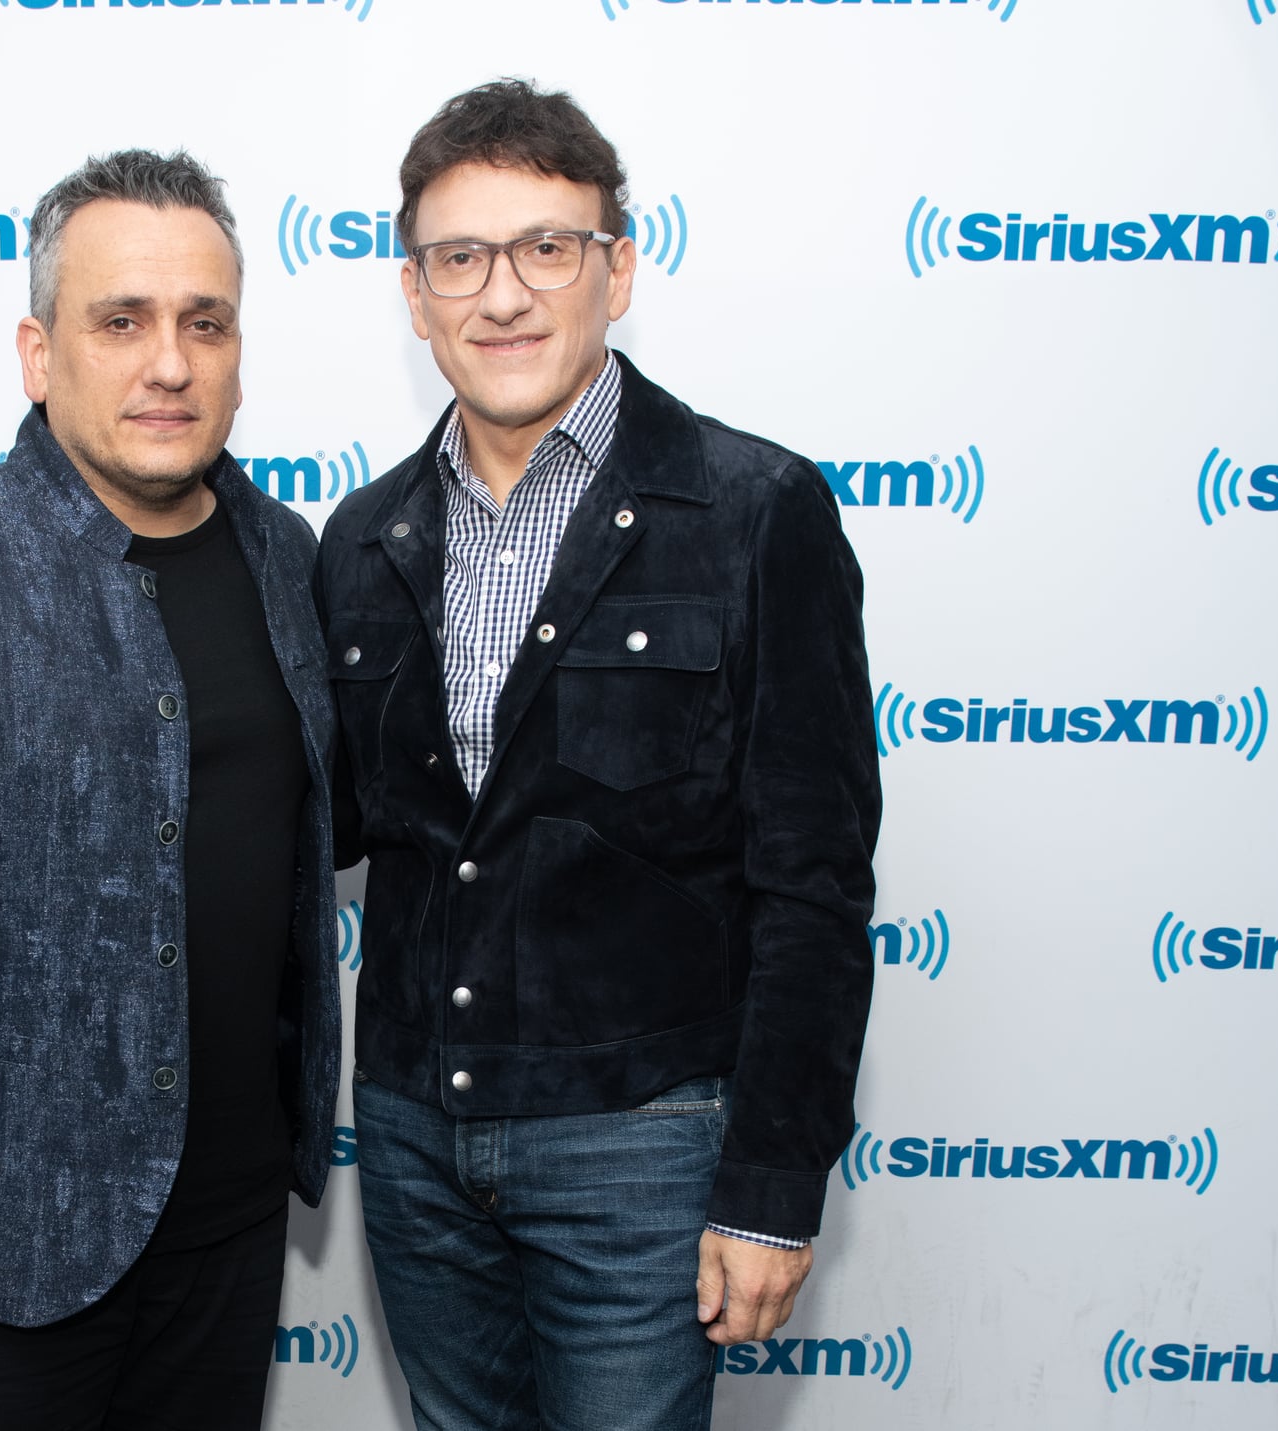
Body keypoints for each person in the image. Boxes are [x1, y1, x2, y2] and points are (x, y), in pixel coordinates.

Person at [316, 81, 881, 1431]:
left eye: (546, 247)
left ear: (616, 268)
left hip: (645, 1144)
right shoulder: (360, 538)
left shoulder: (755, 512)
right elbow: (331, 830)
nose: (501, 294)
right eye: (460, 257)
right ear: (414, 294)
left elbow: (814, 884)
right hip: (411, 1139)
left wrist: (770, 1179)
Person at [0, 149, 340, 1431]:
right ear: (39, 354)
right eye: (121, 321)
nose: (169, 364)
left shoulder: (287, 556)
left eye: (206, 323)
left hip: (233, 1224)